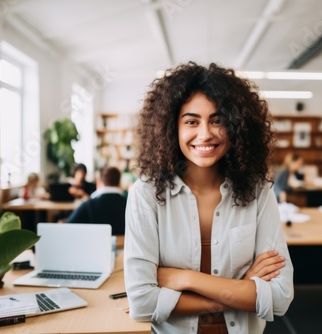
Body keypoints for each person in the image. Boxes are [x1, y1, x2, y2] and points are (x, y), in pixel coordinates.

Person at [124, 62, 293, 333]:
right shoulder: (146, 195)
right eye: (192, 121)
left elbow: (280, 297)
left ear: (236, 126)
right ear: (172, 128)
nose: (205, 134)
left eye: (218, 120)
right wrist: (240, 291)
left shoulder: (258, 192)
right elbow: (142, 303)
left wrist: (184, 278)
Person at [66, 166, 126, 235]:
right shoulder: (128, 204)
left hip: (94, 244)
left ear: (98, 182)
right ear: (119, 183)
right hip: (123, 245)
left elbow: (68, 227)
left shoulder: (89, 204)